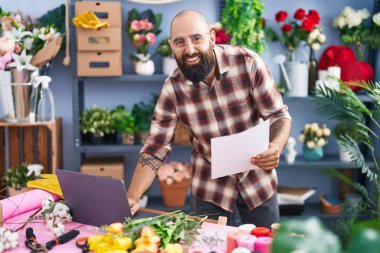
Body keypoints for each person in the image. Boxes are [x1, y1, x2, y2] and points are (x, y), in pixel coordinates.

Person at [127, 10, 292, 227]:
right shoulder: (172, 88)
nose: (189, 50)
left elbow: (278, 115)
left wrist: (276, 147)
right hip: (209, 191)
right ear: (171, 46)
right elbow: (155, 147)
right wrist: (132, 197)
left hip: (258, 184)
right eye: (179, 42)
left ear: (212, 38)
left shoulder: (248, 63)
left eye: (197, 38)